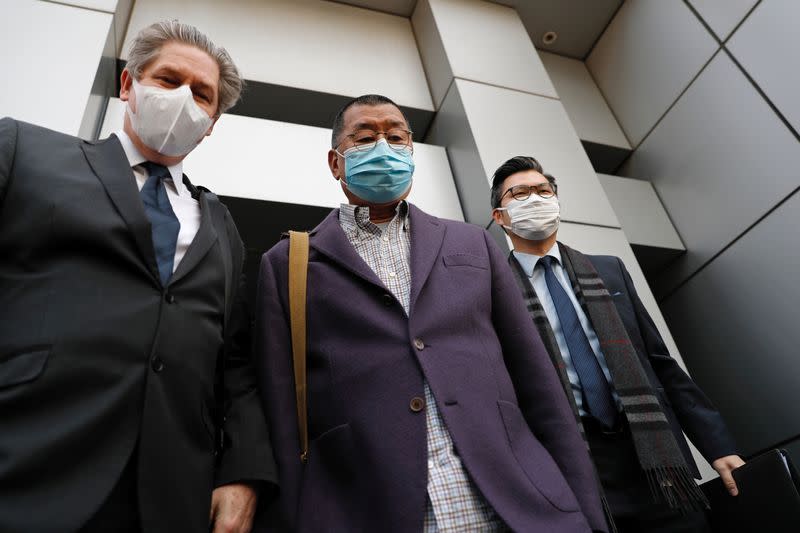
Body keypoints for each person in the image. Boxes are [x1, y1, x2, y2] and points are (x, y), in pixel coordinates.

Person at [255, 94, 607, 532]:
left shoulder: (472, 243)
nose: (383, 146)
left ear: (411, 152)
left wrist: (588, 514)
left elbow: (538, 383)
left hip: (517, 506)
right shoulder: (287, 264)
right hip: (373, 508)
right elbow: (280, 410)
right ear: (335, 162)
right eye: (365, 137)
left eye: (396, 137)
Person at [0, 21, 276, 533]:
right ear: (128, 85)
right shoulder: (23, 151)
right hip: (26, 467)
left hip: (171, 498)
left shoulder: (222, 226)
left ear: (212, 122)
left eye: (202, 94)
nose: (183, 99)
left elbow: (235, 363)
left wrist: (244, 471)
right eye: (169, 80)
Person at [490, 155, 745, 532]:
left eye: (543, 191)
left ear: (557, 203)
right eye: (521, 193)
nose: (535, 199)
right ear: (500, 216)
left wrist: (718, 446)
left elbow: (659, 362)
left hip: (653, 454)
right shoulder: (493, 291)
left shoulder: (608, 269)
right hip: (570, 461)